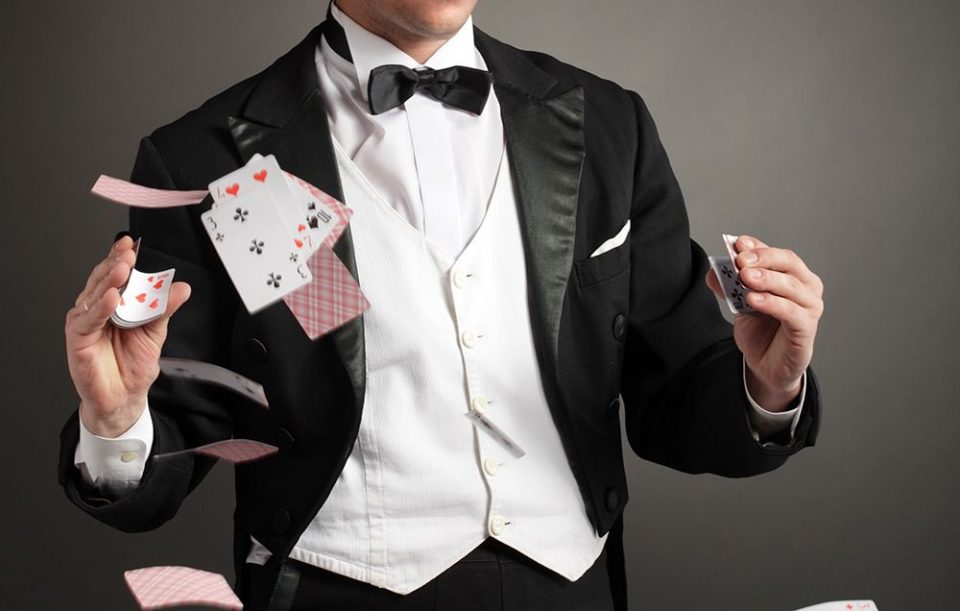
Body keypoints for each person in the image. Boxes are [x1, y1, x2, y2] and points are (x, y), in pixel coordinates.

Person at [60, 1, 825, 609]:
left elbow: (674, 400)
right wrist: (116, 422)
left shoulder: (607, 124)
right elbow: (182, 441)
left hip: (568, 586)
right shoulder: (217, 160)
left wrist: (768, 387)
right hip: (336, 591)